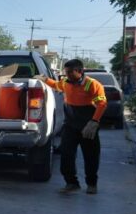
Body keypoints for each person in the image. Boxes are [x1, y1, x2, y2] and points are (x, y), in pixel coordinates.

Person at [37, 59, 107, 194]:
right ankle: (71, 183)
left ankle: (92, 184)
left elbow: (102, 104)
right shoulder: (66, 83)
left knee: (91, 156)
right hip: (70, 125)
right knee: (67, 155)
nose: (67, 75)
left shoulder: (92, 84)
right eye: (66, 72)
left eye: (70, 72)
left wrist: (94, 121)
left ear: (80, 71)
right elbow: (57, 85)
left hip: (88, 126)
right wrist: (44, 79)